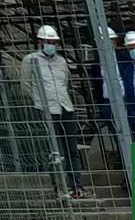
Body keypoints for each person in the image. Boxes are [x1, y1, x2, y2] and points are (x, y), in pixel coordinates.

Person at [23, 23, 87, 187]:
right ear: (40, 42)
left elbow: (64, 83)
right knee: (54, 149)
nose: (51, 45)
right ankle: (59, 185)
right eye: (47, 42)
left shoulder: (61, 61)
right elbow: (26, 85)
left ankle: (75, 184)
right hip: (46, 109)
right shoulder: (31, 60)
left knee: (71, 148)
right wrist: (39, 100)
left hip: (65, 107)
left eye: (53, 43)